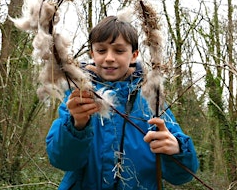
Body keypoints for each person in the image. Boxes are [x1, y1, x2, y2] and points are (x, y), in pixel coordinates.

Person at [46, 16, 199, 190]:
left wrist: (176, 150)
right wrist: (77, 126)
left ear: (134, 55)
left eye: (119, 51)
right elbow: (62, 160)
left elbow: (183, 175)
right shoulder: (77, 97)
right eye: (101, 50)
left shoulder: (151, 100)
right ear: (92, 54)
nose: (109, 58)